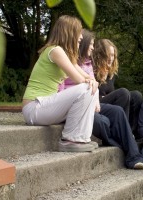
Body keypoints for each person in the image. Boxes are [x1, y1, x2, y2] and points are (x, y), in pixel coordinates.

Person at [58, 30, 143, 169]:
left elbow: (92, 86)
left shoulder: (88, 65)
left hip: (93, 104)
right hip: (77, 106)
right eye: (90, 44)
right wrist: (96, 95)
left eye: (113, 55)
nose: (92, 48)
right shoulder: (72, 63)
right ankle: (127, 141)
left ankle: (133, 154)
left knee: (129, 99)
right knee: (117, 102)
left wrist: (96, 97)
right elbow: (75, 87)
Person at [22, 15, 99, 152]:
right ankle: (71, 140)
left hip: (45, 106)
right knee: (88, 88)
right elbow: (79, 80)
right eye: (78, 33)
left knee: (92, 88)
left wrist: (93, 81)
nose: (81, 37)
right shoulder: (55, 50)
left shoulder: (66, 54)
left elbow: (86, 76)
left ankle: (82, 138)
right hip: (34, 108)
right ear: (69, 33)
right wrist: (91, 82)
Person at [92, 39, 143, 138]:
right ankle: (124, 132)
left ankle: (132, 132)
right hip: (95, 103)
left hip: (106, 101)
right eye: (108, 55)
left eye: (112, 55)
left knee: (136, 95)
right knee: (123, 93)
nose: (110, 58)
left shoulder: (110, 72)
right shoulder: (91, 69)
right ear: (100, 55)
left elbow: (109, 93)